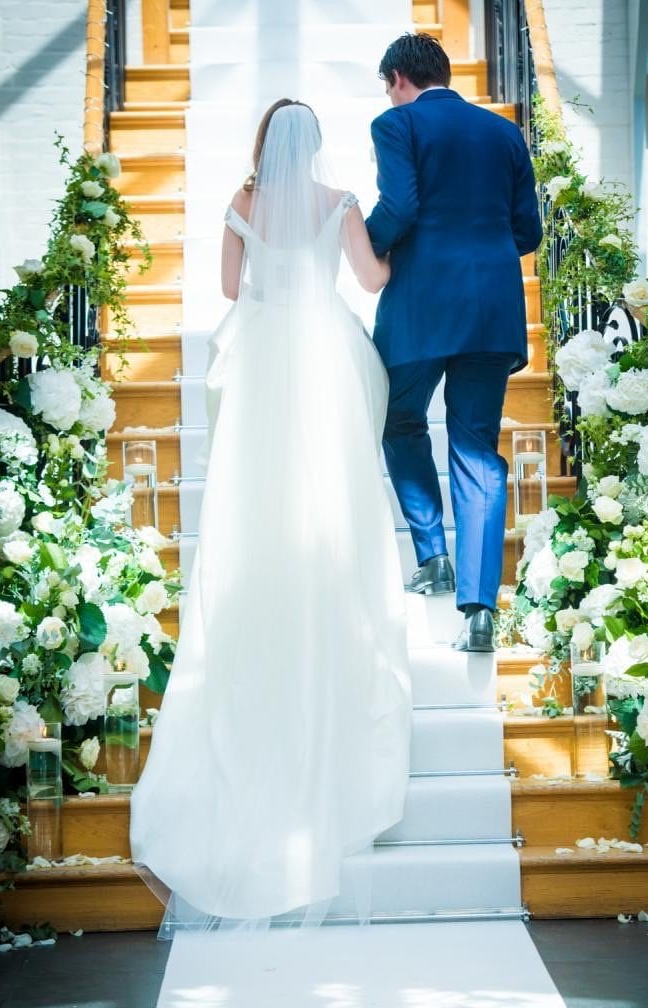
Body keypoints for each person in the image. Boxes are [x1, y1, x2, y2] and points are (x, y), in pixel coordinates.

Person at [130, 100, 412, 925]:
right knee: (331, 481)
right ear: (316, 145)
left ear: (261, 144)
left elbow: (228, 288)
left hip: (266, 349)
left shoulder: (241, 203)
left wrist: (266, 272)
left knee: (261, 481)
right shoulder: (339, 203)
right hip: (323, 346)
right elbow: (371, 280)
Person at [366, 34, 543, 652]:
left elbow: (400, 205)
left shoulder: (396, 125)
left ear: (397, 79)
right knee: (476, 450)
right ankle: (479, 612)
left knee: (398, 419)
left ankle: (432, 554)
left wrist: (365, 243)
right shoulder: (504, 133)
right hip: (492, 310)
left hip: (419, 306)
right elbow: (529, 230)